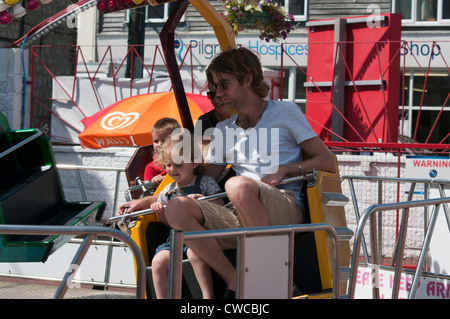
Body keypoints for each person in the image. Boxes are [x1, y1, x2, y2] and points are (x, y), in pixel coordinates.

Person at [118, 47, 335, 298]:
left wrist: (286, 169)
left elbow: (326, 161)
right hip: (240, 207)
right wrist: (147, 201)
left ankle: (270, 277)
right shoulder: (223, 129)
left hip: (284, 204)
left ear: (248, 79)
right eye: (214, 86)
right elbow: (198, 180)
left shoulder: (285, 112)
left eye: (224, 84)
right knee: (178, 207)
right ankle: (233, 279)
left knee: (236, 186)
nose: (218, 93)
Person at [150, 136, 225, 299]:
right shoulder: (167, 190)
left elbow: (221, 205)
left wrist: (203, 201)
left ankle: (207, 296)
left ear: (194, 163)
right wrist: (160, 213)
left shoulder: (205, 182)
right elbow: (168, 224)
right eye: (168, 165)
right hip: (175, 240)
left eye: (178, 165)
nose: (172, 169)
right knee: (158, 261)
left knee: (195, 254)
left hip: (199, 236)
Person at [143, 117, 181, 185]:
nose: (159, 144)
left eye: (164, 140)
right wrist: (154, 183)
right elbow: (147, 191)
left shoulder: (184, 161)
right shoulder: (151, 167)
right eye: (156, 141)